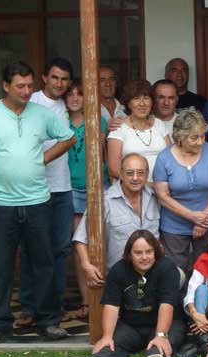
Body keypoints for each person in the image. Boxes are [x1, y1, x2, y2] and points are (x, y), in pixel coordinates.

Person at [0, 61, 75, 343]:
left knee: (44, 262)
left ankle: (47, 321)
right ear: (6, 86)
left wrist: (44, 159)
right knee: (1, 265)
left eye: (29, 86)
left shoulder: (41, 114)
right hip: (0, 202)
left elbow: (68, 137)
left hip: (38, 200)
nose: (26, 91)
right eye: (20, 86)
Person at [66, 230, 185, 357]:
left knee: (160, 346)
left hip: (166, 324)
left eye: (149, 252)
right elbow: (111, 305)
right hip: (131, 325)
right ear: (129, 253)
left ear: (156, 251)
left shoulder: (167, 267)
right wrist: (107, 336)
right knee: (111, 344)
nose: (144, 257)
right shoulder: (118, 270)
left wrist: (161, 335)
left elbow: (167, 304)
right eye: (138, 253)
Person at [17, 57, 75, 328]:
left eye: (64, 79)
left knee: (60, 249)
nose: (59, 84)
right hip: (34, 189)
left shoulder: (70, 103)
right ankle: (29, 307)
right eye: (55, 78)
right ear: (44, 78)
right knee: (32, 250)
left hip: (63, 188)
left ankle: (55, 305)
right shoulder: (32, 102)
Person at [153, 109, 208, 271]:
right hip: (174, 226)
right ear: (180, 136)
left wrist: (203, 220)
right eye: (194, 137)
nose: (200, 141)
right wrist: (192, 216)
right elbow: (162, 195)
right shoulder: (164, 158)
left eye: (202, 136)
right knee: (174, 272)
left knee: (207, 271)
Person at [73, 153, 161, 285]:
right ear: (121, 173)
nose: (135, 178)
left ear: (147, 174)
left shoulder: (156, 197)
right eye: (130, 173)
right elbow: (80, 239)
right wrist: (86, 265)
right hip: (118, 278)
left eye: (140, 173)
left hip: (152, 274)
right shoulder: (104, 201)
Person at [65, 78, 108, 319]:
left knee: (99, 246)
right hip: (70, 189)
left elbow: (102, 155)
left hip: (96, 188)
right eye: (70, 94)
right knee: (79, 245)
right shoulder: (59, 122)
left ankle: (104, 299)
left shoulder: (97, 120)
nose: (74, 98)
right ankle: (86, 302)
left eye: (79, 94)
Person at [107, 79, 171, 182]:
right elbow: (114, 169)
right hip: (131, 190)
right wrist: (145, 185)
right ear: (128, 103)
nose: (142, 104)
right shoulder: (118, 127)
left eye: (146, 98)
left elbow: (171, 157)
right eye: (136, 99)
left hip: (161, 188)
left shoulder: (159, 124)